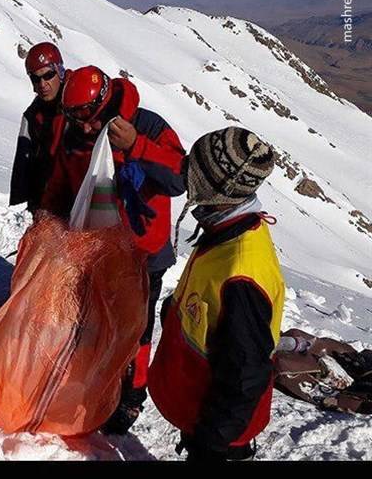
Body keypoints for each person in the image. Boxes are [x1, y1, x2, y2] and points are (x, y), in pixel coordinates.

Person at [40, 65, 186, 433]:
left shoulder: (148, 126)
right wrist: (46, 217)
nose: (86, 127)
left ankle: (132, 398)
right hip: (96, 248)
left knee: (137, 328)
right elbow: (62, 181)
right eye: (76, 118)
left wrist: (136, 145)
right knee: (94, 319)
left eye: (89, 118)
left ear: (104, 102)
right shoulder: (76, 133)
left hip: (144, 254)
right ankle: (95, 381)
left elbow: (178, 178)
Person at [148, 127, 283, 461]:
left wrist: (211, 445)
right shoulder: (227, 227)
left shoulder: (242, 273)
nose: (183, 170)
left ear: (215, 184)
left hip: (217, 432)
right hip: (200, 406)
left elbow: (244, 375)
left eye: (194, 167)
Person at [9, 42, 71, 212]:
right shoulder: (32, 116)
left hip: (85, 202)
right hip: (52, 207)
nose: (42, 84)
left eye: (48, 75)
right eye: (36, 79)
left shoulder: (83, 102)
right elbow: (24, 166)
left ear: (60, 71)